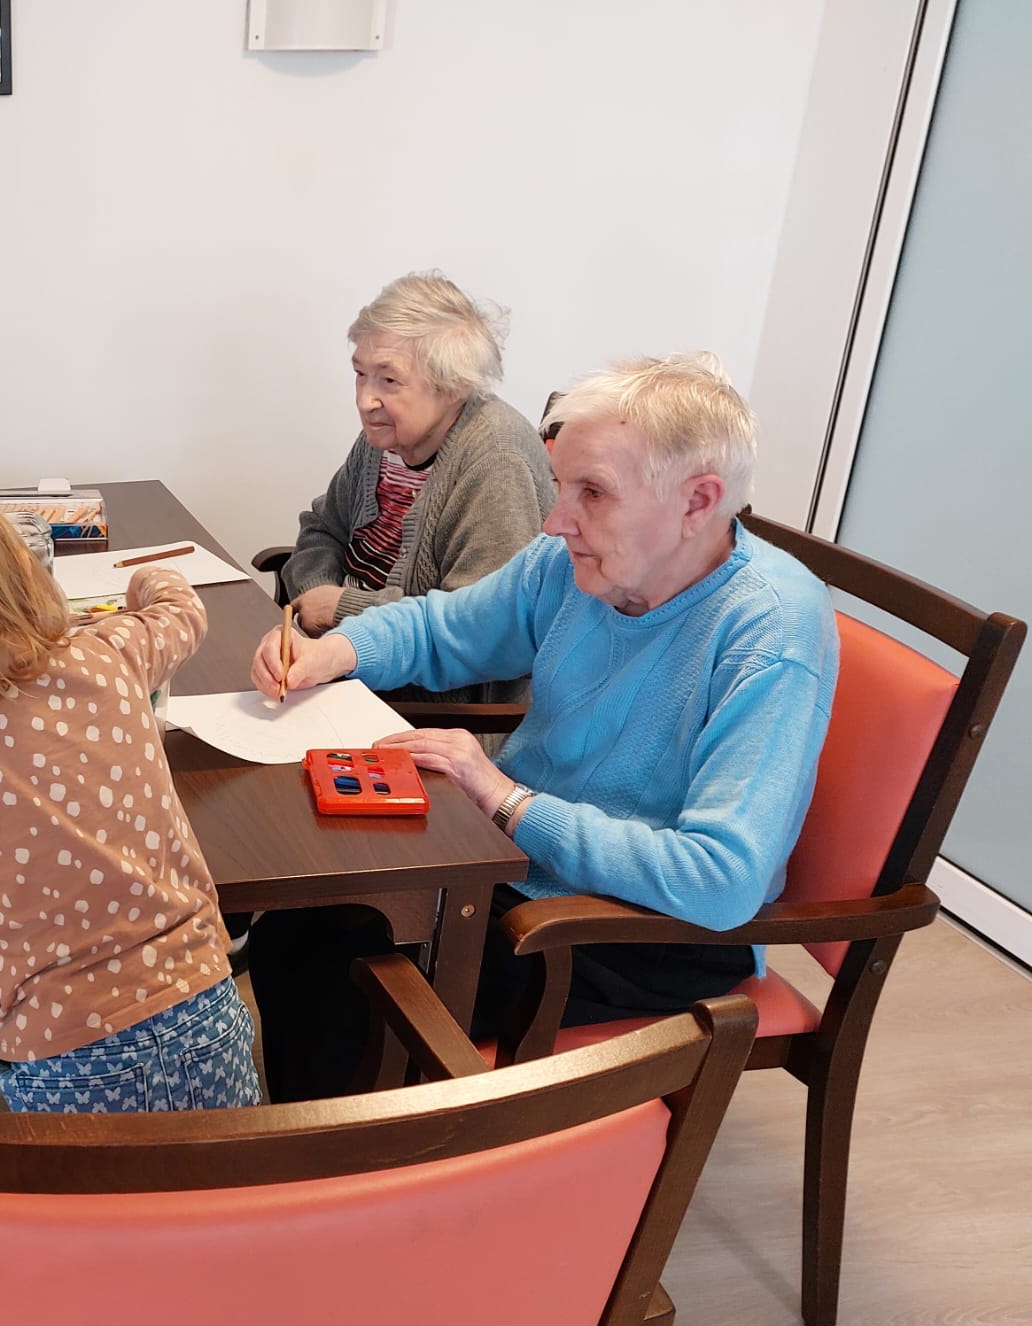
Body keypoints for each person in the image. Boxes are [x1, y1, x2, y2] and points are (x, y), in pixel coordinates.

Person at [248, 353, 838, 1101]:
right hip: (520, 864)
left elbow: (719, 882)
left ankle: (356, 1187)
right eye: (563, 486)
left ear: (699, 501)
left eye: (592, 493)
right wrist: (337, 649)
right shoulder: (579, 559)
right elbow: (446, 628)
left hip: (648, 927)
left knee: (339, 972)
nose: (558, 520)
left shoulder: (770, 629)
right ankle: (320, 1164)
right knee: (300, 924)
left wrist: (505, 801)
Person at [0, 481, 261, 1113]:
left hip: (63, 1052)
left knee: (89, 1210)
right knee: (225, 1194)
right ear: (22, 574)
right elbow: (182, 613)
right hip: (204, 1003)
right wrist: (150, 581)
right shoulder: (109, 653)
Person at [276, 272, 553, 707]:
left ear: (453, 385)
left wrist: (342, 611)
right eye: (360, 374)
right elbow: (321, 529)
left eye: (388, 381)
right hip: (340, 669)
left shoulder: (496, 461)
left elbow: (481, 629)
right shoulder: (383, 439)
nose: (365, 400)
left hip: (428, 707)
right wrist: (316, 598)